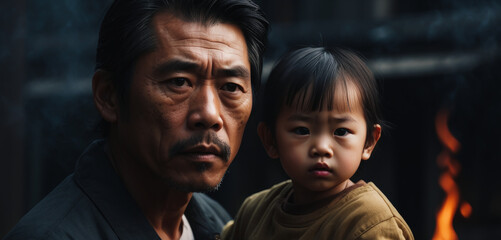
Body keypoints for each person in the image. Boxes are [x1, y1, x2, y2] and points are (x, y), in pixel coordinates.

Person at [4, 0, 268, 239]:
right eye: (179, 83)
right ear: (109, 96)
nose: (210, 115)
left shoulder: (221, 225)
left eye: (231, 87)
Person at [222, 47, 414, 240]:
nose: (322, 147)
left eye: (341, 132)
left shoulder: (370, 223)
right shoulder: (255, 212)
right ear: (270, 140)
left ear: (369, 142)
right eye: (302, 130)